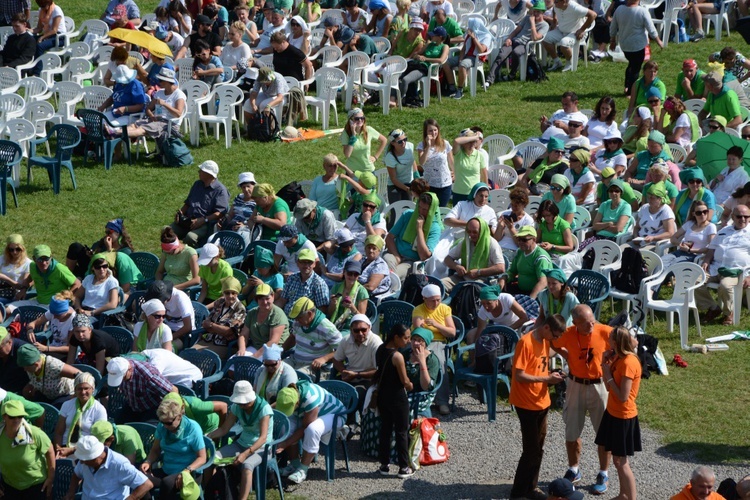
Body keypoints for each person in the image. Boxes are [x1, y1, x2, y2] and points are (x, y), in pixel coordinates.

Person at [550, 305, 612, 494]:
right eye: (586, 323)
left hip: (599, 385)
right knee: (571, 430)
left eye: (592, 320)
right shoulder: (568, 333)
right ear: (575, 323)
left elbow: (629, 344)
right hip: (575, 384)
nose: (591, 325)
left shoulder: (605, 331)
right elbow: (553, 343)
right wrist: (567, 355)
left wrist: (610, 360)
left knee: (603, 432)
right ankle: (574, 469)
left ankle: (603, 472)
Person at [508, 314, 566, 500]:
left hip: (542, 402)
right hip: (526, 403)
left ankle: (531, 487)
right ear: (546, 328)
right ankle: (517, 493)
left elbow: (538, 368)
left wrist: (553, 375)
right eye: (555, 335)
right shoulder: (525, 343)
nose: (555, 340)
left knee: (538, 449)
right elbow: (519, 376)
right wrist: (547, 379)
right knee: (530, 450)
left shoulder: (545, 341)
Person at [594, 326, 643, 500]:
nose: (607, 341)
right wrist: (604, 364)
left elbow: (623, 396)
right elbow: (609, 388)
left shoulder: (629, 362)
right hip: (613, 413)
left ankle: (631, 498)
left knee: (622, 463)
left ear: (616, 342)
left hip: (623, 416)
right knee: (617, 461)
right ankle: (623, 494)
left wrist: (607, 374)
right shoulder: (618, 358)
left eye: (610, 339)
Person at [207, 381, 273, 500]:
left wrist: (245, 454)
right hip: (241, 443)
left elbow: (263, 438)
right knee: (213, 458)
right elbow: (224, 429)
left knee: (247, 466)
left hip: (262, 448)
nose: (241, 405)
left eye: (244, 403)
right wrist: (208, 436)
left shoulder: (264, 409)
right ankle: (209, 493)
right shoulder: (236, 407)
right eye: (239, 402)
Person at [274, 379, 347, 484]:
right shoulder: (286, 393)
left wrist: (285, 443)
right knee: (285, 427)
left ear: (297, 403)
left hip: (336, 414)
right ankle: (294, 464)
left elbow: (305, 427)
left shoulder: (310, 398)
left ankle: (302, 470)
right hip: (311, 412)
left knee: (312, 429)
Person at [140, 398, 207, 500]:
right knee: (139, 478)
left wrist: (186, 471)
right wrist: (148, 461)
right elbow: (155, 450)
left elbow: (202, 457)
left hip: (190, 472)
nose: (165, 426)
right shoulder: (162, 426)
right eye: (162, 422)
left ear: (179, 416)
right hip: (167, 469)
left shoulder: (193, 428)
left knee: (167, 483)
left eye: (169, 423)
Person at [695, 205, 750, 325]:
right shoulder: (723, 231)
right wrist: (706, 261)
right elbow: (711, 249)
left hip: (735, 270)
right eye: (739, 216)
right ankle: (713, 308)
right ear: (733, 217)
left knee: (725, 286)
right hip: (715, 267)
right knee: (695, 281)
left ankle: (729, 313)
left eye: (746, 216)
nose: (743, 219)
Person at [374, 323, 414, 478]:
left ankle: (384, 465)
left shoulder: (380, 350)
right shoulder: (397, 356)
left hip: (383, 396)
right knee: (401, 431)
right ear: (396, 337)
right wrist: (410, 385)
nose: (408, 341)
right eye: (406, 338)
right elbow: (405, 382)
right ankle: (403, 467)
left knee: (385, 430)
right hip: (398, 398)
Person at [411, 284, 455, 415]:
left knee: (440, 363)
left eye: (438, 299)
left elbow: (451, 332)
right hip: (421, 340)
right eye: (432, 300)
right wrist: (440, 329)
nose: (436, 303)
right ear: (424, 298)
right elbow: (419, 329)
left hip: (438, 341)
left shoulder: (445, 309)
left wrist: (436, 324)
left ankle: (442, 401)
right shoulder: (418, 309)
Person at [67, 435, 153, 500]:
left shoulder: (120, 464)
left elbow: (146, 484)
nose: (81, 462)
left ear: (97, 457)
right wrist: (71, 492)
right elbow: (76, 474)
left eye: (85, 460)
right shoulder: (85, 462)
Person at [0, 400, 55, 499]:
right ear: (4, 417)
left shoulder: (35, 433)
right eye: (12, 416)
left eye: (20, 416)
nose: (16, 420)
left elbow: (50, 450)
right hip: (9, 486)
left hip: (35, 486)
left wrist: (50, 478)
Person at [169, 161, 230, 248]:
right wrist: (180, 214)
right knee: (167, 231)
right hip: (188, 220)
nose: (199, 172)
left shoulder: (221, 190)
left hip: (205, 224)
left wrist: (203, 220)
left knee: (191, 237)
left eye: (201, 170)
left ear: (209, 174)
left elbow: (220, 213)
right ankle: (171, 255)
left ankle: (193, 256)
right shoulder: (197, 184)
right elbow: (188, 203)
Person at [487, 0, 548, 85]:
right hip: (515, 40)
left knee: (516, 52)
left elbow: (535, 38)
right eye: (534, 11)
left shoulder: (544, 25)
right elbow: (516, 31)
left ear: (543, 13)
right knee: (501, 54)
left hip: (525, 45)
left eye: (538, 12)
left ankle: (512, 74)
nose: (535, 13)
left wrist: (533, 23)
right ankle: (489, 80)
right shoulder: (526, 18)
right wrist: (509, 38)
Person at [609, 0, 662, 97]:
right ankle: (630, 92)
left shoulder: (619, 9)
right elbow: (651, 29)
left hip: (624, 45)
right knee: (635, 69)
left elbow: (613, 26)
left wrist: (612, 40)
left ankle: (626, 86)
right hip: (637, 46)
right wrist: (659, 41)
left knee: (631, 64)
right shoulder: (642, 11)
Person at [125, 67, 188, 147]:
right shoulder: (160, 93)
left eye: (161, 80)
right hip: (156, 120)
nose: (158, 82)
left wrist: (164, 104)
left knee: (142, 129)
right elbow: (148, 108)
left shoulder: (179, 94)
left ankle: (116, 134)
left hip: (169, 123)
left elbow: (178, 114)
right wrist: (151, 115)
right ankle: (114, 132)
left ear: (168, 81)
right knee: (133, 125)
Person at [384, 192, 442, 279]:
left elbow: (424, 256)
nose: (420, 212)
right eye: (419, 207)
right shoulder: (407, 215)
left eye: (425, 210)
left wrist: (419, 229)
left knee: (393, 275)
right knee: (386, 265)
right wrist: (396, 256)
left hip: (412, 262)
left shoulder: (435, 228)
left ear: (431, 210)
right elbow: (389, 238)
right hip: (394, 253)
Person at [284, 296, 342, 378]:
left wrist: (324, 359)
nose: (296, 320)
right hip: (295, 360)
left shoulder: (326, 327)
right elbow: (292, 338)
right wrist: (279, 351)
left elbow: (342, 350)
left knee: (295, 377)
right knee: (277, 369)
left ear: (309, 314)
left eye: (299, 318)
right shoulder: (298, 323)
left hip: (313, 367)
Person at [443, 217, 505, 292]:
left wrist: (479, 272)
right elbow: (447, 259)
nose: (471, 235)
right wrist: (456, 266)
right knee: (439, 285)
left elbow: (501, 267)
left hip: (482, 280)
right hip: (463, 277)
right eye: (469, 231)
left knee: (469, 290)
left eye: (475, 232)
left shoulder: (492, 243)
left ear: (482, 231)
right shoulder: (465, 242)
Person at [53, 372, 107, 458]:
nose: (83, 392)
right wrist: (58, 450)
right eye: (79, 389)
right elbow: (59, 432)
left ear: (92, 389)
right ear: (75, 389)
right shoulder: (67, 405)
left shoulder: (99, 409)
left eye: (86, 388)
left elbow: (98, 439)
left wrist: (72, 450)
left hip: (87, 450)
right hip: (64, 447)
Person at [332, 314, 382, 407]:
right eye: (356, 330)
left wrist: (357, 375)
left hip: (369, 380)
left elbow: (380, 371)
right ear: (351, 330)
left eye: (363, 330)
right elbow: (336, 360)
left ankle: (348, 419)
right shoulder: (346, 340)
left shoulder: (376, 343)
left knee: (354, 397)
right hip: (350, 377)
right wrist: (343, 372)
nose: (360, 333)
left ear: (369, 328)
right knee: (330, 392)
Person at [107, 356, 177, 421]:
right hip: (133, 406)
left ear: (129, 370)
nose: (121, 381)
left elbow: (173, 391)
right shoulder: (120, 367)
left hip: (152, 409)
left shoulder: (149, 376)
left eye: (123, 377)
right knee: (118, 427)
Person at [194, 276, 247, 358]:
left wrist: (211, 325)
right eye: (227, 293)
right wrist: (220, 329)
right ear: (223, 293)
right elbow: (205, 323)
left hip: (224, 344)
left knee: (203, 359)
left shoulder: (240, 308)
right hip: (208, 339)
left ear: (237, 294)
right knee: (188, 355)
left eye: (233, 293)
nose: (230, 296)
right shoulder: (219, 302)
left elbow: (228, 331)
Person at [13, 244, 80, 308]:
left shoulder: (59, 269)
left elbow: (77, 284)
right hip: (37, 302)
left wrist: (64, 297)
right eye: (40, 259)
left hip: (54, 306)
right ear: (34, 258)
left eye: (46, 259)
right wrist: (23, 289)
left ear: (51, 257)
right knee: (7, 309)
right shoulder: (33, 266)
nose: (44, 263)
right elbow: (30, 278)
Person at [397, 26, 447, 108]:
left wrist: (426, 59)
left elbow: (441, 60)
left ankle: (398, 101)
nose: (432, 36)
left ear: (440, 37)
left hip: (425, 68)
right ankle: (394, 98)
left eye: (434, 35)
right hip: (416, 65)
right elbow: (417, 54)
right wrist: (418, 56)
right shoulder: (429, 44)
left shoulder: (445, 46)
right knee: (396, 76)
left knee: (405, 80)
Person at [542, 0, 595, 73]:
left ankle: (569, 62)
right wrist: (554, 22)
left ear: (564, 1)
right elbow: (554, 10)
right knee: (545, 38)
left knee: (564, 43)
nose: (554, 3)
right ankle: (557, 61)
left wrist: (582, 30)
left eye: (556, 1)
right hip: (561, 31)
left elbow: (593, 14)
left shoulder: (575, 7)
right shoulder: (557, 5)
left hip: (575, 33)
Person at [444, 18, 492, 99]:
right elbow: (464, 48)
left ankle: (460, 90)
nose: (469, 28)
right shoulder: (468, 35)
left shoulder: (486, 36)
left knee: (462, 65)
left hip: (476, 58)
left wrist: (474, 38)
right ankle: (452, 88)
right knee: (445, 63)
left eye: (471, 25)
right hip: (466, 56)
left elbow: (481, 50)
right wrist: (460, 59)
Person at [501, 226, 553, 299]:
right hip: (520, 290)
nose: (520, 242)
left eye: (524, 240)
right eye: (519, 239)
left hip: (536, 294)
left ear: (534, 239)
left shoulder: (540, 257)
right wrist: (504, 278)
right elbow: (512, 272)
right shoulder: (520, 251)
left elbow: (543, 282)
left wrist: (530, 299)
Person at [276, 249, 330, 315]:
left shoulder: (319, 284)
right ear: (297, 263)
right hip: (285, 317)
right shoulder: (291, 278)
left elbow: (322, 310)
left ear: (314, 264)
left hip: (304, 322)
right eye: (303, 262)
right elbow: (282, 300)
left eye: (309, 262)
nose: (306, 265)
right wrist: (272, 311)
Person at [144, 280, 195, 349]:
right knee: (146, 344)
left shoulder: (180, 297)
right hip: (165, 328)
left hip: (181, 334)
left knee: (161, 349)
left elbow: (188, 327)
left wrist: (168, 338)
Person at [26, 292, 75, 360]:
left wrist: (46, 348)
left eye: (58, 315)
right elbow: (32, 323)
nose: (54, 317)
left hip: (64, 353)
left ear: (65, 311)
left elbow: (69, 348)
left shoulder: (73, 320)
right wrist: (30, 330)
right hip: (51, 348)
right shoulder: (53, 313)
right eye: (53, 314)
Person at [418, 118, 454, 206]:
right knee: (429, 210)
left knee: (441, 210)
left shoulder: (445, 143)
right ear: (426, 132)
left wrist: (455, 174)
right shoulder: (421, 145)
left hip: (444, 184)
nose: (433, 133)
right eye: (430, 131)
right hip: (429, 185)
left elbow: (451, 162)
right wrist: (428, 146)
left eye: (435, 130)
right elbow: (422, 162)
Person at [340, 108, 387, 174]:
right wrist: (353, 135)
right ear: (350, 120)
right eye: (357, 119)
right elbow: (347, 154)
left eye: (362, 118)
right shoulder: (346, 133)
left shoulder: (369, 130)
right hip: (352, 171)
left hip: (368, 170)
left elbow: (384, 140)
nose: (360, 120)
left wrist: (376, 157)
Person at [74, 255, 120, 322]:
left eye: (104, 266)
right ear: (93, 268)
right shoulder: (88, 278)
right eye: (98, 267)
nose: (102, 269)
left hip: (99, 314)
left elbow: (113, 304)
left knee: (80, 323)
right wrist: (78, 308)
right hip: (83, 310)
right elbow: (76, 296)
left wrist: (92, 312)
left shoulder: (111, 282)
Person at [587, 179, 633, 244]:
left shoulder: (626, 206)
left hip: (614, 239)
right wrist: (608, 224)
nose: (613, 193)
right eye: (611, 191)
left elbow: (618, 229)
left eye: (616, 191)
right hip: (598, 237)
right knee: (582, 250)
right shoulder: (604, 204)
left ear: (621, 192)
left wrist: (601, 227)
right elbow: (595, 225)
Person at [632, 183, 676, 249]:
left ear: (660, 199)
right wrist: (635, 237)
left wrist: (653, 238)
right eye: (648, 197)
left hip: (655, 243)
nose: (649, 200)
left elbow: (670, 233)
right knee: (623, 250)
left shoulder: (666, 210)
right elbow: (637, 227)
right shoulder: (644, 207)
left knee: (638, 255)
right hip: (640, 240)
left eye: (652, 198)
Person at [327, 260, 368, 330]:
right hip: (333, 323)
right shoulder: (336, 287)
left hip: (351, 327)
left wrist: (352, 307)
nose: (352, 276)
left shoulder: (362, 292)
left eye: (356, 274)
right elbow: (330, 313)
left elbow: (362, 319)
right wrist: (333, 304)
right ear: (344, 272)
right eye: (350, 273)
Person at [384, 129, 419, 202]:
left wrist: (416, 176)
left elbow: (412, 160)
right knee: (396, 211)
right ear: (393, 143)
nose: (403, 142)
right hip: (394, 185)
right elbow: (393, 179)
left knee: (408, 208)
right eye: (400, 141)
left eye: (405, 139)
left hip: (409, 181)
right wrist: (407, 189)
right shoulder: (390, 157)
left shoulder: (410, 146)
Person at [0, 234, 31, 306]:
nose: (15, 252)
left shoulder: (28, 263)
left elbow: (25, 283)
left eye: (18, 249)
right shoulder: (2, 259)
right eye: (11, 250)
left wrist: (5, 278)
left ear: (22, 249)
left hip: (14, 294)